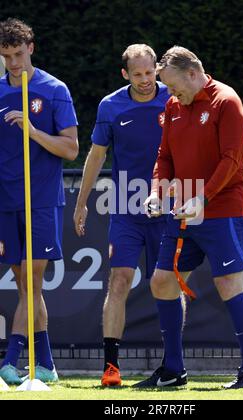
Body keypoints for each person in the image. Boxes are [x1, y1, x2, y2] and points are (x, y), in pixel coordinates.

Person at [134, 46, 243, 389]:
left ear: (193, 73)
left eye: (175, 87)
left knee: (228, 285)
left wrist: (202, 198)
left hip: (223, 209)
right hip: (183, 212)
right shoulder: (174, 105)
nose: (172, 95)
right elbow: (164, 157)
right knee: (162, 281)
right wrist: (156, 191)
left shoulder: (226, 101)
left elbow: (232, 159)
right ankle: (173, 370)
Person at [74, 44, 170, 387]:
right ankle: (111, 367)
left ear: (158, 68)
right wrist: (82, 201)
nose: (145, 80)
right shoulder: (110, 105)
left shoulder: (176, 98)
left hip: (168, 207)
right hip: (126, 211)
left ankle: (173, 364)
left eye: (150, 72)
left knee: (167, 285)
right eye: (138, 74)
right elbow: (97, 156)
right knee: (119, 281)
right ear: (125, 74)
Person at [0, 18, 78, 384]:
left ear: (31, 48)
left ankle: (10, 362)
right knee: (25, 286)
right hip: (5, 202)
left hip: (41, 200)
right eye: (6, 56)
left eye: (18, 54)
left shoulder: (54, 89)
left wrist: (33, 132)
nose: (13, 63)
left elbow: (71, 149)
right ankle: (45, 364)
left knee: (31, 279)